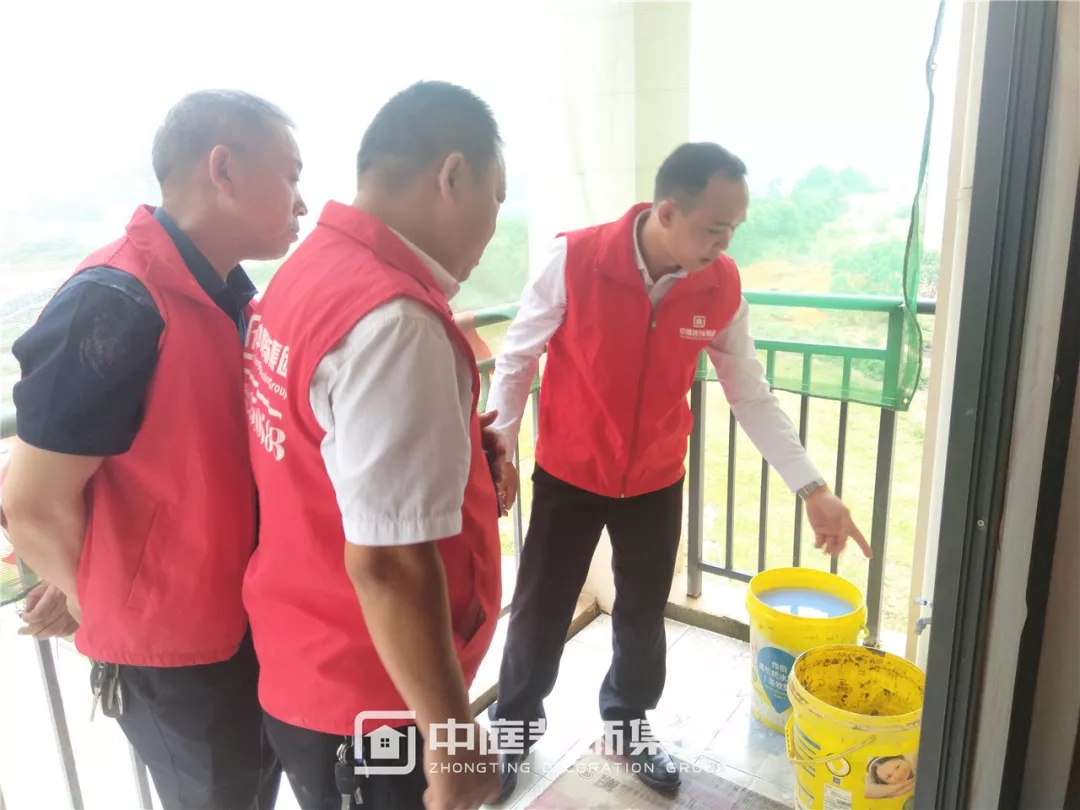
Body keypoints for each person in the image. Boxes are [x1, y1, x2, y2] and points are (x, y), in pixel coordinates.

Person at [485, 142, 873, 799]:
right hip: (570, 474)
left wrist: (813, 488)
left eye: (734, 229)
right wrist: (503, 440)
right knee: (539, 611)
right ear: (667, 212)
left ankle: (627, 724)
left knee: (641, 614)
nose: (725, 244)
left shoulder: (719, 285)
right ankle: (513, 726)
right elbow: (519, 355)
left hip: (656, 480)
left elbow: (750, 393)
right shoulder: (574, 259)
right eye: (715, 227)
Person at [2, 89, 307, 810]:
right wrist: (98, 601)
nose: (301, 203)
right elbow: (31, 502)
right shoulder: (117, 300)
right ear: (223, 169)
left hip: (245, 618)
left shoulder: (225, 294)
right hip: (181, 660)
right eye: (291, 176)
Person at [241, 80, 516, 810]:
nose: (494, 224)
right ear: (452, 176)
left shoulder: (312, 269)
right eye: (496, 195)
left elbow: (325, 442)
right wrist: (453, 739)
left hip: (308, 655)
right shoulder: (395, 321)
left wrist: (459, 448)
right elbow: (389, 564)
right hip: (372, 698)